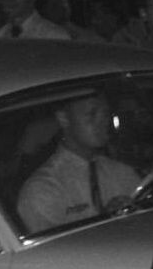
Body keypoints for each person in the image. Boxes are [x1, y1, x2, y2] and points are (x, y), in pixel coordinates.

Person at [17, 93, 139, 232]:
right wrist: (105, 223)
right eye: (92, 114)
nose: (103, 122)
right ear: (64, 119)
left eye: (106, 114)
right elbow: (53, 245)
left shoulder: (122, 172)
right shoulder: (43, 189)